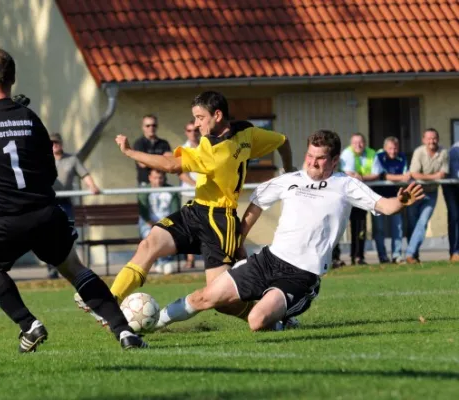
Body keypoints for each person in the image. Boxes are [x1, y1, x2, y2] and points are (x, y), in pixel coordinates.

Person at [0, 48, 146, 352]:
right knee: (75, 268)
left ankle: (28, 324)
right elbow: (48, 169)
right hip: (45, 213)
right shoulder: (30, 118)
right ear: (13, 79)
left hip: (4, 220)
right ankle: (124, 332)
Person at [155, 130, 425, 332]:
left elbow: (385, 206)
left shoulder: (346, 185)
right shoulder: (289, 180)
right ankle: (151, 322)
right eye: (309, 156)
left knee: (256, 321)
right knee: (207, 296)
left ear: (333, 162)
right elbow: (257, 205)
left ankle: (285, 317)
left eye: (320, 159)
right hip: (268, 260)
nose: (313, 163)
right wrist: (240, 242)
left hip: (301, 274)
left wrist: (400, 202)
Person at [76, 90, 295, 325]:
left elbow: (171, 166)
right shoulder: (246, 132)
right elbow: (282, 140)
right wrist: (288, 169)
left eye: (200, 118)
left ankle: (270, 317)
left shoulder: (214, 152)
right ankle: (109, 303)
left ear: (217, 115)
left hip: (219, 222)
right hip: (196, 210)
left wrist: (130, 152)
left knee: (222, 300)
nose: (196, 124)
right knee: (149, 244)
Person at [47, 132, 101, 279]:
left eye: (56, 142)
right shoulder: (43, 159)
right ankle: (52, 269)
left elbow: (84, 174)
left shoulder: (72, 159)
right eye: (51, 143)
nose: (54, 145)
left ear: (61, 143)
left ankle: (71, 267)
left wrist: (92, 186)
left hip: (66, 203)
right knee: (49, 236)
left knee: (68, 235)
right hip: (49, 202)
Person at [406, 128, 448, 264]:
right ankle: (414, 255)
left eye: (434, 138)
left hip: (431, 193)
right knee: (412, 224)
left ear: (438, 139)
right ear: (424, 140)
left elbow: (443, 174)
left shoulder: (443, 152)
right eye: (429, 138)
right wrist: (434, 177)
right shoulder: (419, 152)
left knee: (423, 222)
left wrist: (427, 177)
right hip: (415, 192)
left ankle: (410, 254)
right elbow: (414, 174)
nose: (432, 141)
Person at [339, 133, 378, 265]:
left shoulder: (371, 153)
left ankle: (358, 257)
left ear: (365, 143)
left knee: (360, 226)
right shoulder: (347, 154)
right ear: (351, 144)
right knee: (339, 226)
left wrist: (360, 176)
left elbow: (376, 174)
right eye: (355, 142)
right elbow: (348, 173)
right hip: (346, 195)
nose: (358, 145)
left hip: (361, 195)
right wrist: (358, 176)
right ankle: (335, 258)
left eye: (361, 142)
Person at [371, 137, 411, 264]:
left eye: (395, 148)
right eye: (390, 148)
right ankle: (382, 257)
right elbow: (382, 175)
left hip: (396, 197)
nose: (393, 151)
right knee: (379, 229)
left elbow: (407, 176)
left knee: (397, 228)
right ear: (385, 148)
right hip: (378, 198)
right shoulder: (379, 156)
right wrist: (399, 177)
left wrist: (398, 178)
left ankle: (396, 255)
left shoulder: (402, 157)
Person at [138, 169, 180, 275]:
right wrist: (152, 224)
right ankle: (159, 262)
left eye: (160, 178)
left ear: (164, 178)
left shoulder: (171, 190)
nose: (158, 181)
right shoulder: (144, 191)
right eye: (155, 178)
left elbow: (175, 211)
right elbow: (143, 213)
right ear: (150, 178)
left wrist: (164, 225)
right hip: (149, 223)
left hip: (167, 223)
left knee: (170, 234)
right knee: (149, 235)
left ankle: (164, 262)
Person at [178, 120, 201, 269]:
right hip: (188, 193)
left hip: (206, 194)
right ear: (186, 132)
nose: (193, 133)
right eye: (190, 130)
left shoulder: (206, 147)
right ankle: (190, 259)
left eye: (195, 130)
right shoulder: (183, 150)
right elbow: (180, 172)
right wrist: (196, 185)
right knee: (189, 228)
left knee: (206, 227)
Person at [133, 114, 172, 186]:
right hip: (145, 184)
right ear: (143, 127)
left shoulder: (164, 143)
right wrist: (162, 159)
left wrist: (148, 159)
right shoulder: (139, 143)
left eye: (154, 125)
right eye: (148, 125)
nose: (151, 128)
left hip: (162, 183)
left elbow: (169, 162)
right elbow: (142, 164)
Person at [445, 141, 459, 262]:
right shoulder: (455, 151)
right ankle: (455, 252)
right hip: (452, 188)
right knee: (455, 217)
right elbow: (457, 174)